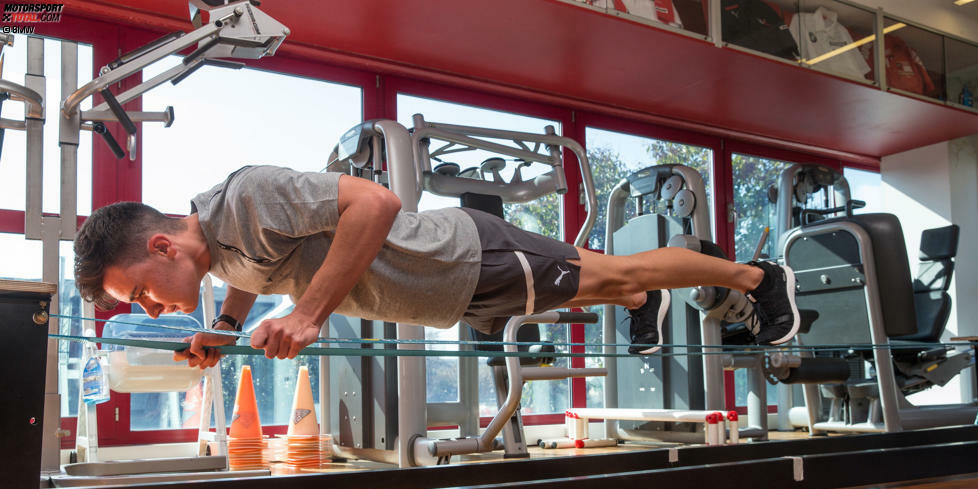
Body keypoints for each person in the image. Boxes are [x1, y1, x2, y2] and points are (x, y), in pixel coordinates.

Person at [73, 165, 799, 369]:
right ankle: (645, 303)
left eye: (140, 290)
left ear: (162, 247)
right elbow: (255, 269)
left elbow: (377, 202)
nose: (153, 307)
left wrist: (308, 314)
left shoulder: (248, 194)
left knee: (620, 272)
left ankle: (757, 279)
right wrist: (230, 324)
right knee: (613, 279)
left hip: (459, 257)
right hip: (447, 295)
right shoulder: (221, 246)